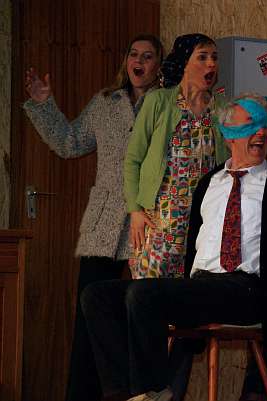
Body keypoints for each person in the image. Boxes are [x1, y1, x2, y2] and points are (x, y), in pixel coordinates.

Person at [81, 95, 267, 401]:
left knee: (143, 294)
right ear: (229, 135)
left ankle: (152, 393)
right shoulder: (209, 184)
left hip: (247, 289)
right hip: (200, 285)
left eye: (264, 125)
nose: (261, 132)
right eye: (251, 125)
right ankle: (123, 394)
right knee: (97, 295)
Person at [23, 34, 164, 401]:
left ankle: (139, 392)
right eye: (133, 54)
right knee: (89, 315)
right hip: (104, 225)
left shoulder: (166, 104)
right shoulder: (106, 102)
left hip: (149, 224)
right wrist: (44, 105)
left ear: (158, 66)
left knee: (140, 314)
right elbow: (69, 143)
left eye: (148, 56)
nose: (139, 61)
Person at [124, 33, 229, 279]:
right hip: (159, 221)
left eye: (214, 57)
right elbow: (133, 160)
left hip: (203, 222)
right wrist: (135, 211)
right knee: (149, 292)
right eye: (202, 57)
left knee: (190, 293)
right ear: (184, 63)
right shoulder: (158, 102)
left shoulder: (222, 108)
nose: (211, 63)